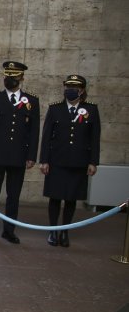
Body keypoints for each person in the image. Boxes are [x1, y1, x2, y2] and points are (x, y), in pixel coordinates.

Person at [0, 61, 40, 244]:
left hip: (18, 157)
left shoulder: (31, 101)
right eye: (7, 76)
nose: (9, 79)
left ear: (21, 78)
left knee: (13, 196)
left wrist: (31, 156)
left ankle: (9, 230)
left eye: (13, 76)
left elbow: (34, 131)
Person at [39, 74, 100, 247]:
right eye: (68, 87)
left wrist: (93, 162)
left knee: (71, 199)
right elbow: (46, 137)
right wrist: (44, 160)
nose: (70, 91)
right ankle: (52, 231)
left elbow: (94, 139)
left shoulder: (91, 110)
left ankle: (65, 231)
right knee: (55, 197)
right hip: (57, 161)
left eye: (74, 88)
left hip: (79, 162)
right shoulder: (55, 109)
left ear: (82, 90)